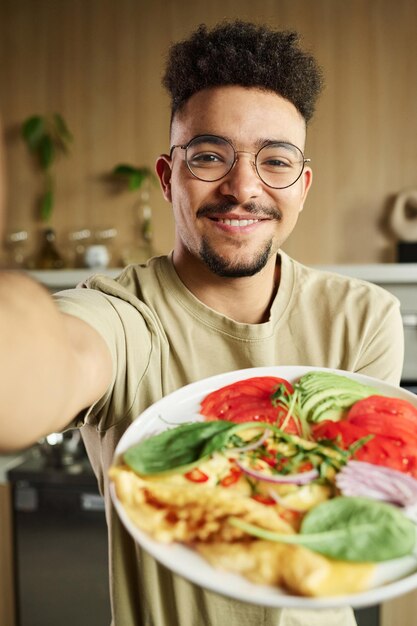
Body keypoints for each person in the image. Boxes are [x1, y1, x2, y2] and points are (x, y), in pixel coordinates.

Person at [0, 20, 404, 626]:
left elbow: (366, 500)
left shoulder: (363, 317)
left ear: (302, 185)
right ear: (168, 178)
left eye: (275, 161)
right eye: (211, 157)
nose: (243, 188)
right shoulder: (123, 313)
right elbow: (45, 366)